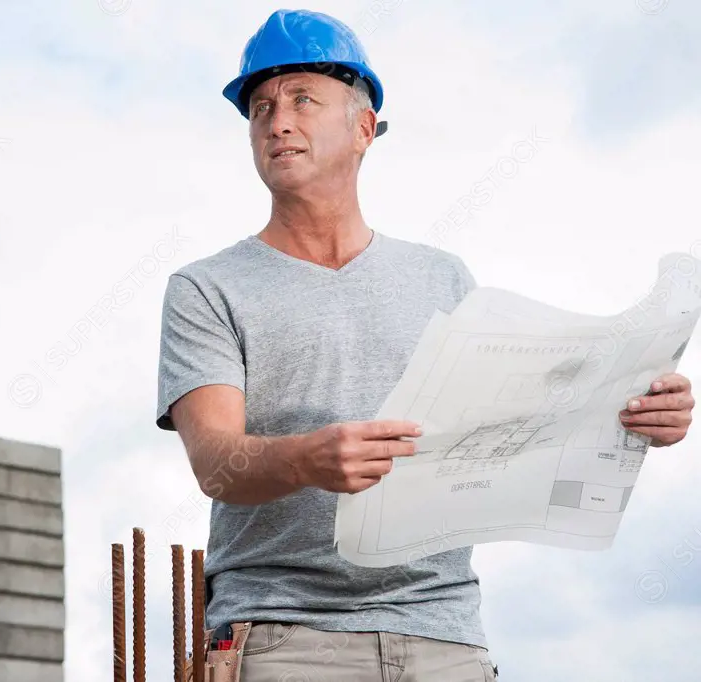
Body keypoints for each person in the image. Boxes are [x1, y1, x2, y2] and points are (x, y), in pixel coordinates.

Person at [154, 9, 695, 681]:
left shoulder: (443, 279)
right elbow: (216, 464)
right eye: (260, 106)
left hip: (445, 639)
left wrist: (634, 411)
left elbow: (519, 428)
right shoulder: (208, 288)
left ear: (362, 129)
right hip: (286, 638)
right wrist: (306, 459)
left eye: (301, 99)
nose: (277, 121)